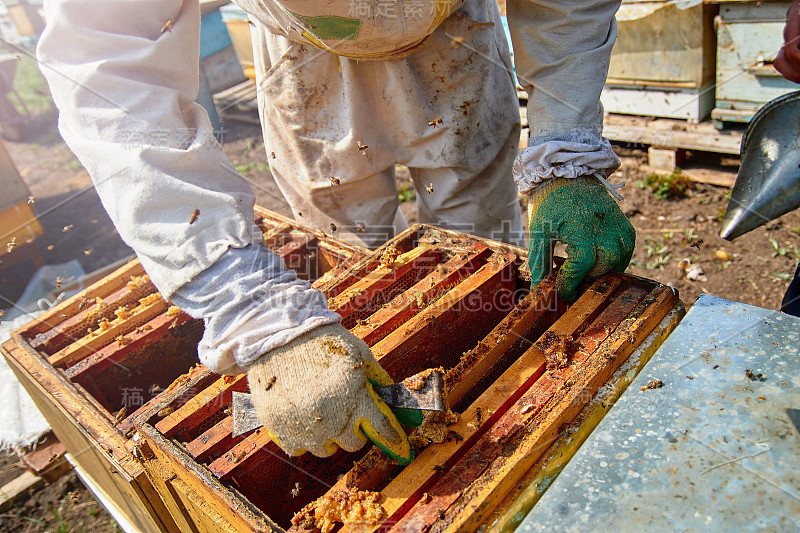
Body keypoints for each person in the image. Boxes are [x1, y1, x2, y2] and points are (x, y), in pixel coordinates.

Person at [37, 0, 634, 464]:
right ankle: (364, 389)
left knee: (479, 254)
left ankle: (478, 381)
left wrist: (566, 144)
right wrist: (251, 311)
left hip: (457, 40)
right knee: (356, 264)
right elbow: (107, 55)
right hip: (306, 55)